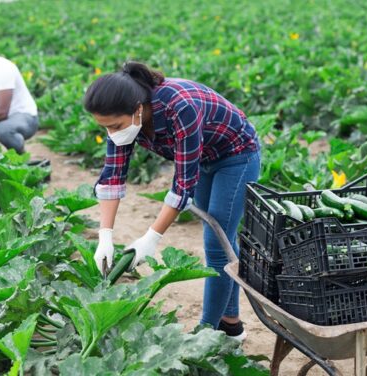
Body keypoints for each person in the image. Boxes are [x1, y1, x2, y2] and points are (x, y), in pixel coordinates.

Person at [85, 62, 260, 340]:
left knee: (217, 242)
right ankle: (231, 323)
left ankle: (205, 335)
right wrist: (104, 235)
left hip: (237, 155)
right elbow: (113, 176)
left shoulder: (180, 106)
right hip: (203, 159)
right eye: (105, 127)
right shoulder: (123, 121)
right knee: (219, 240)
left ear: (138, 109)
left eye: (115, 126)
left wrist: (151, 237)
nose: (111, 133)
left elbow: (182, 186)